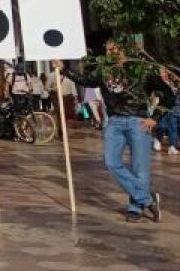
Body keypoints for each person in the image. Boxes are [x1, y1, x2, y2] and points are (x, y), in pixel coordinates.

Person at [57, 43, 175, 222]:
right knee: (111, 162)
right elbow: (85, 80)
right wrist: (64, 69)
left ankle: (135, 207)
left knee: (139, 168)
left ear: (125, 50)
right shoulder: (105, 70)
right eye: (107, 50)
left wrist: (156, 117)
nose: (109, 53)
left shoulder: (140, 70)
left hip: (138, 121)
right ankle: (147, 199)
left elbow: (168, 94)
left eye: (113, 49)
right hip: (114, 121)